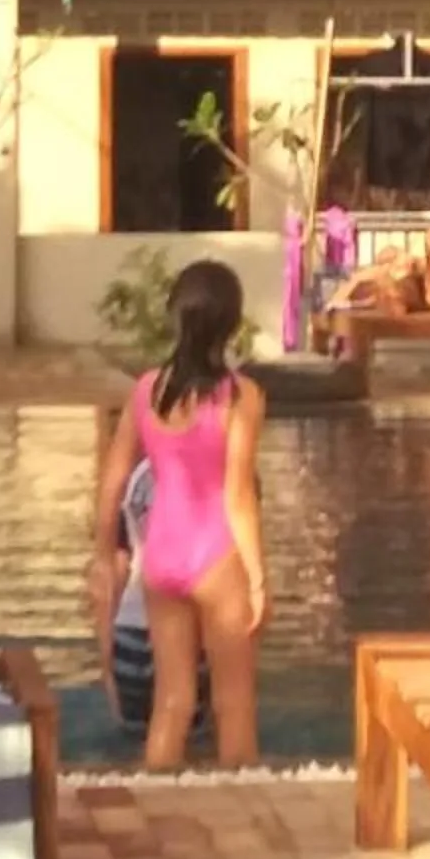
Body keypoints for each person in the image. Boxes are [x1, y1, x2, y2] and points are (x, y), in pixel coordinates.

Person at [91, 260, 265, 768]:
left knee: (173, 700)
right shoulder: (242, 397)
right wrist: (257, 578)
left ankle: (156, 807)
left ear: (176, 317)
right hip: (217, 557)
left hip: (161, 557)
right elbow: (238, 496)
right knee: (233, 704)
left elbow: (113, 479)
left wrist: (104, 552)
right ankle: (245, 815)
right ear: (231, 324)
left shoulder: (147, 390)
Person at [95, 457, 211, 746]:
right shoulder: (216, 460)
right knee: (195, 750)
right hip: (190, 634)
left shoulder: (130, 474)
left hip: (129, 630)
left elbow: (115, 570)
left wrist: (107, 660)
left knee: (136, 746)